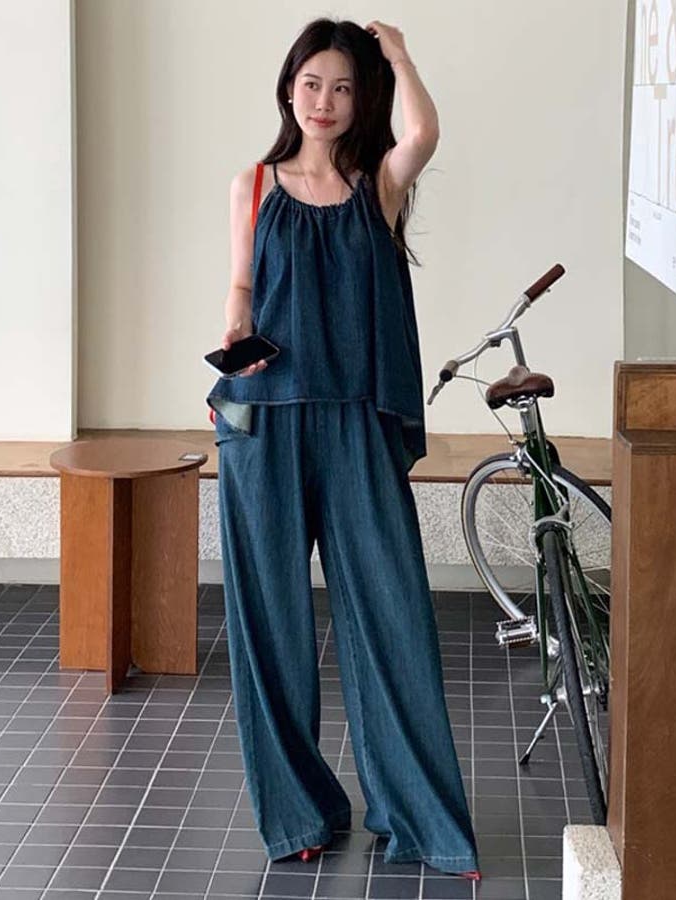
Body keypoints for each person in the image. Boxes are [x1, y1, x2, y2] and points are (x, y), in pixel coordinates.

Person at [205, 17, 481, 880]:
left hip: (357, 421)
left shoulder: (377, 187)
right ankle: (299, 814)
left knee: (391, 615)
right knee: (270, 622)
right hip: (263, 421)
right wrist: (235, 332)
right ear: (289, 89)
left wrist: (396, 53)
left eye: (343, 88)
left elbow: (424, 133)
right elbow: (241, 284)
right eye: (313, 83)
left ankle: (422, 820)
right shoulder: (254, 184)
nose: (325, 101)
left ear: (362, 100)